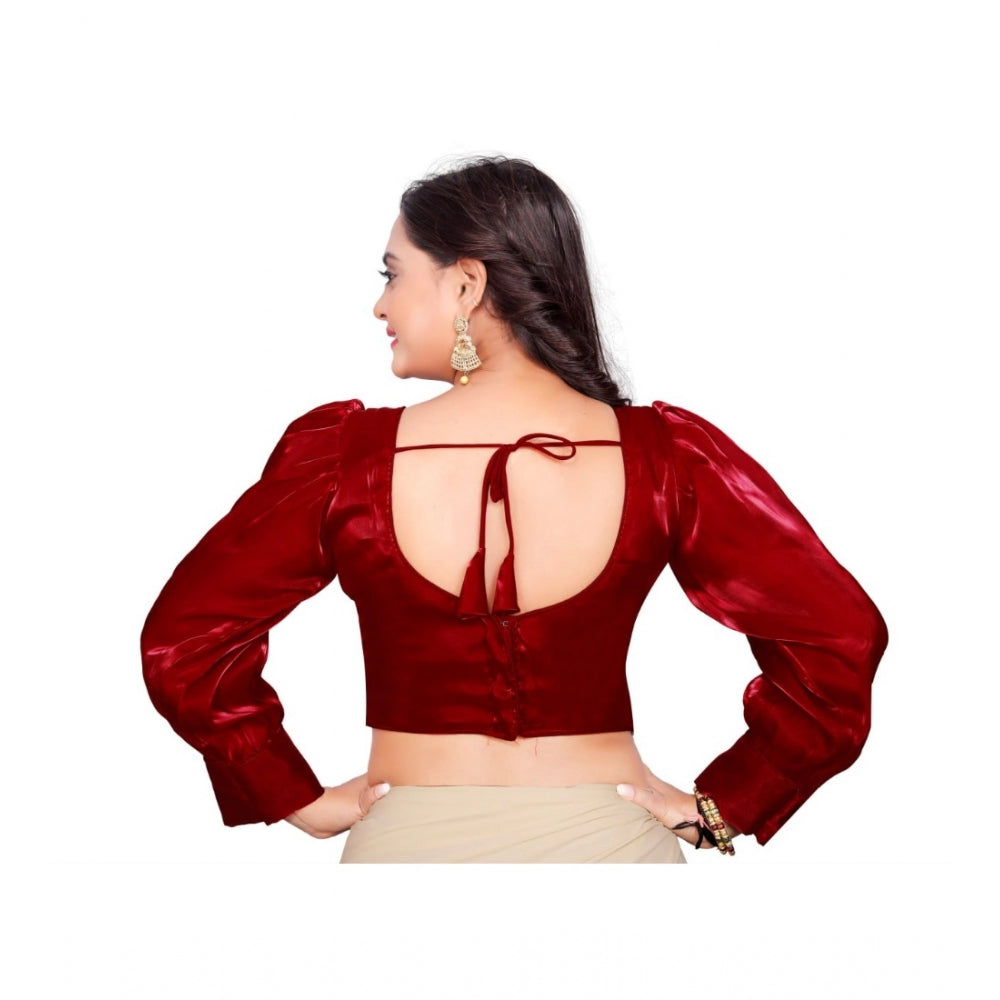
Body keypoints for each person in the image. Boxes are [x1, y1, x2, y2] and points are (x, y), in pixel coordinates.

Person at [140, 156, 888, 863]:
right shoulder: (666, 457)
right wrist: (728, 803)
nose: (380, 304)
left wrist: (288, 792)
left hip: (412, 847)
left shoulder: (346, 458)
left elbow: (184, 640)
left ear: (467, 284)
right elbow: (839, 638)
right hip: (611, 846)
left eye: (393, 274)